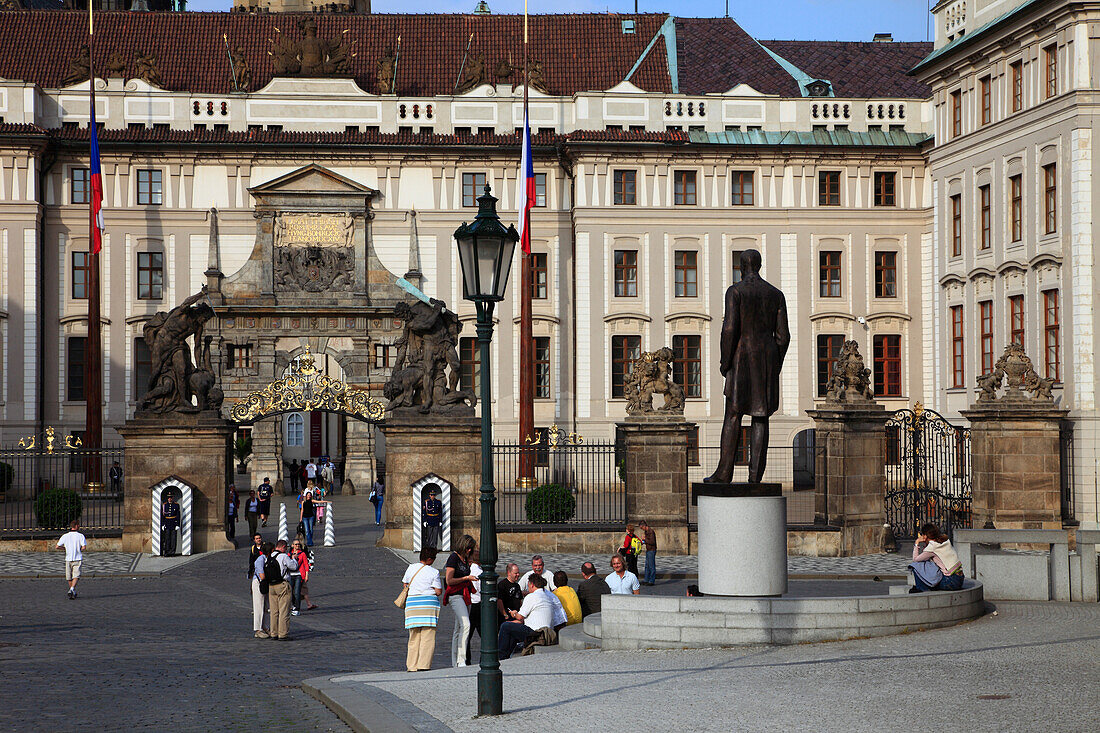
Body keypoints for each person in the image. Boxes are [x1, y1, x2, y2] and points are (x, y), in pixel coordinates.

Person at [705, 248, 790, 484]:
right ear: (759, 266)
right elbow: (783, 336)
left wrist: (725, 361)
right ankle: (755, 477)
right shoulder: (776, 294)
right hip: (766, 360)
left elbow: (729, 329)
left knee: (733, 414)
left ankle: (724, 473)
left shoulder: (736, 291)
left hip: (741, 358)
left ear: (741, 267)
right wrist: (775, 363)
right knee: (761, 417)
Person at [402, 547, 443, 672]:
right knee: (428, 636)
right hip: (428, 606)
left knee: (413, 637)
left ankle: (411, 665)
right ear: (430, 559)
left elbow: (405, 584)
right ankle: (423, 665)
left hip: (412, 605)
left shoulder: (411, 567)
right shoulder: (434, 572)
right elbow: (438, 591)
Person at [498, 574, 554, 660]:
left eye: (528, 585)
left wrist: (514, 613)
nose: (528, 588)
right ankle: (506, 655)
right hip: (546, 633)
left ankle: (500, 656)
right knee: (511, 627)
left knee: (505, 626)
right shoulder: (547, 596)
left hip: (536, 633)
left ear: (532, 584)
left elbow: (520, 617)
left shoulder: (531, 596)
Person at [442, 534, 478, 667]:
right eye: (469, 548)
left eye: (471, 548)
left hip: (464, 595)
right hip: (455, 595)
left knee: (458, 629)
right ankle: (461, 659)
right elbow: (449, 580)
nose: (470, 551)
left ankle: (455, 662)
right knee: (466, 624)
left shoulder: (464, 559)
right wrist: (466, 578)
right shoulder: (454, 558)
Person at [909, 522, 966, 593]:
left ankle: (921, 588)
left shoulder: (932, 547)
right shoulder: (944, 541)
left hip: (950, 582)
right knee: (929, 564)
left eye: (922, 534)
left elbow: (915, 559)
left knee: (915, 566)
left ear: (925, 536)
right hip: (959, 579)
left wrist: (916, 542)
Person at [262, 539, 297, 640]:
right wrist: (294, 558)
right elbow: (293, 567)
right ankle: (283, 634)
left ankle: (273, 633)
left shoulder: (270, 556)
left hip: (271, 586)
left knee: (273, 611)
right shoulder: (284, 556)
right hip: (282, 585)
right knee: (284, 610)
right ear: (283, 547)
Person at [56, 520, 86, 600]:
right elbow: (83, 547)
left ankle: (72, 591)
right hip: (77, 558)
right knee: (76, 575)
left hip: (68, 558)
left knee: (69, 577)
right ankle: (72, 589)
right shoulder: (81, 536)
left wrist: (65, 548)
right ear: (76, 526)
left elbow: (57, 546)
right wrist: (79, 549)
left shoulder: (65, 536)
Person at [249, 535, 269, 638]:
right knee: (258, 606)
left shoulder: (265, 558)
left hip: (263, 583)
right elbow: (261, 575)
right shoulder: (260, 559)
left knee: (265, 606)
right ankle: (258, 629)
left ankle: (265, 627)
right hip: (258, 582)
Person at [465, 556, 482, 665]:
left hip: (469, 605)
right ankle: (483, 659)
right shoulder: (480, 572)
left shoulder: (468, 571)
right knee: (484, 636)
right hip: (478, 605)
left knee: (467, 635)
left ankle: (466, 660)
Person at [289, 539, 309, 616]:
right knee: (291, 592)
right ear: (292, 545)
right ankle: (294, 605)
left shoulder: (302, 554)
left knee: (297, 592)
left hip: (299, 575)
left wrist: (306, 575)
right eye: (296, 544)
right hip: (291, 575)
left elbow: (306, 564)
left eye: (298, 544)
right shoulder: (289, 554)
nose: (297, 546)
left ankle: (297, 609)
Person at [161, 490, 181, 557]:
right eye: (169, 498)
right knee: (167, 538)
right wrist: (163, 524)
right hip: (167, 523)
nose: (170, 499)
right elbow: (163, 516)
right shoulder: (165, 505)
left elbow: (178, 515)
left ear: (172, 498)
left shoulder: (176, 505)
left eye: (171, 497)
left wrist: (178, 524)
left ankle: (172, 552)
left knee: (173, 538)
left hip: (173, 523)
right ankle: (166, 552)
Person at [639, 519, 658, 586]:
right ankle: (646, 580)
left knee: (651, 566)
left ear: (644, 526)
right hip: (648, 549)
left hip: (651, 550)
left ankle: (651, 581)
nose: (642, 529)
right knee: (647, 566)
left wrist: (645, 539)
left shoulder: (650, 532)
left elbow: (652, 542)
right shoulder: (647, 532)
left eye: (642, 528)